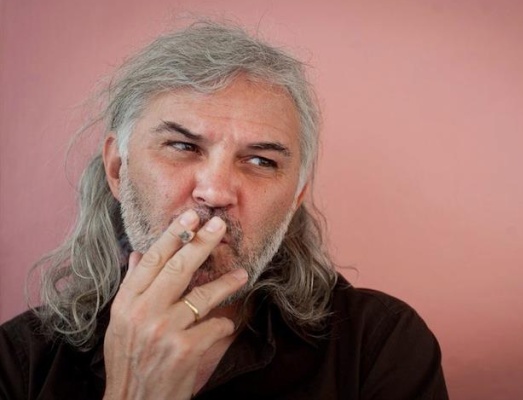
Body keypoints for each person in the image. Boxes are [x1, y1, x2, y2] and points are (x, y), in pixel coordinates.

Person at [0, 20, 448, 399]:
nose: (214, 192)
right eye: (182, 146)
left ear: (295, 198)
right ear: (118, 169)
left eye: (261, 161)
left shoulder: (377, 346)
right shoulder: (18, 365)